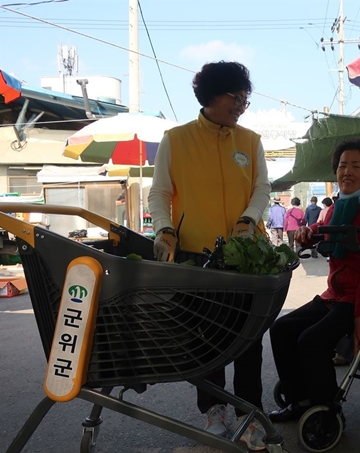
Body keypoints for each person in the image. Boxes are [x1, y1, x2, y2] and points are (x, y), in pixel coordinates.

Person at [148, 61, 270, 451]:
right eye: (236, 97)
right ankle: (214, 410)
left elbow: (262, 189)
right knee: (204, 339)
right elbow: (160, 193)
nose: (241, 105)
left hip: (244, 257)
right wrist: (163, 228)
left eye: (245, 99)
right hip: (194, 257)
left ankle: (249, 414)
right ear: (212, 95)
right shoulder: (176, 138)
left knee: (248, 340)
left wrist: (249, 220)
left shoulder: (250, 141)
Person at [268, 138, 360, 423]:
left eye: (356, 166)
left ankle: (326, 406)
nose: (347, 172)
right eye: (343, 165)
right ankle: (299, 399)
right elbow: (325, 228)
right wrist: (309, 231)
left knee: (311, 341)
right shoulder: (340, 205)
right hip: (337, 294)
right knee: (282, 328)